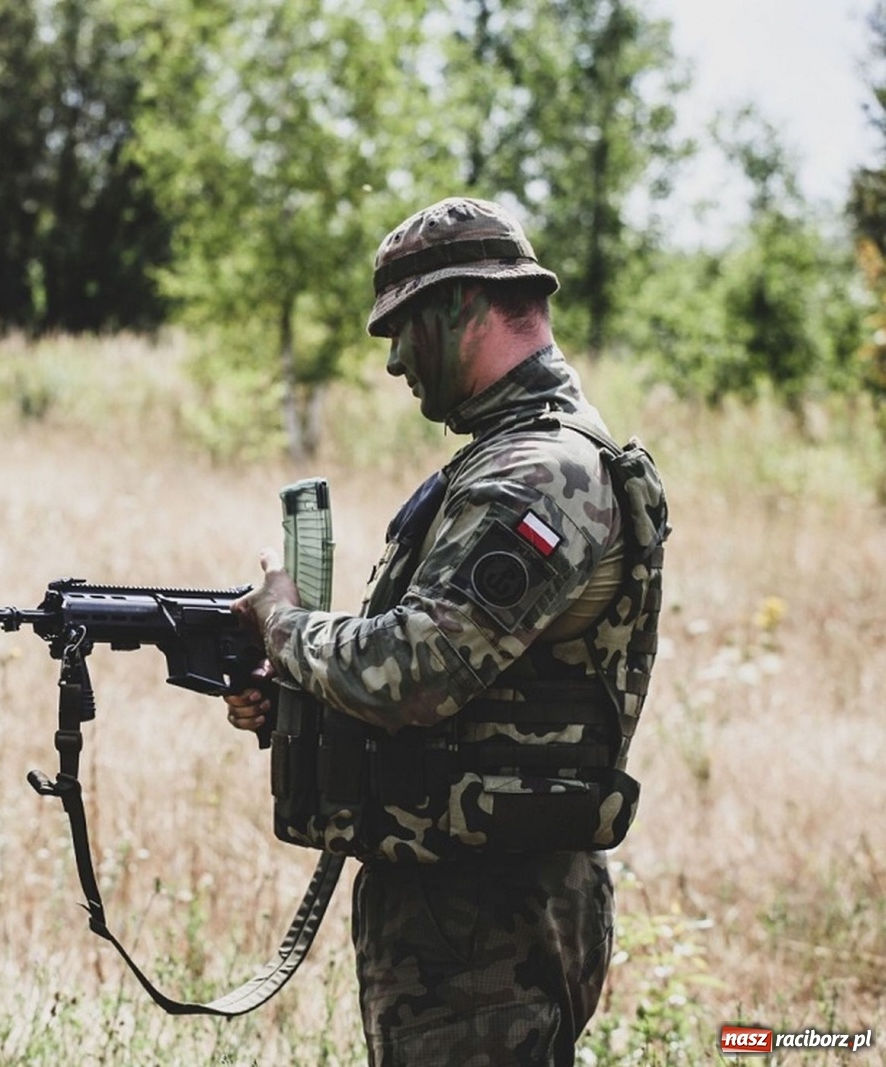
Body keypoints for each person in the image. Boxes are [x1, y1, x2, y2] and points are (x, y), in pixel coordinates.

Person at [225, 197, 668, 1066]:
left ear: (463, 305)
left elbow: (417, 669)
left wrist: (285, 624)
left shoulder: (539, 472)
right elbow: (482, 692)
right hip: (466, 900)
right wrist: (300, 706)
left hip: (486, 917)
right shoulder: (509, 455)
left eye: (402, 325)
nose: (393, 358)